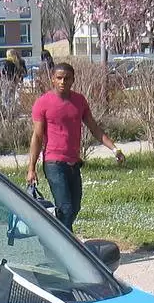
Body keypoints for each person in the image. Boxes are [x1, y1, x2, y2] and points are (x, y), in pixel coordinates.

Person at [26, 62, 124, 231]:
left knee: (75, 207)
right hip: (53, 162)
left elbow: (94, 128)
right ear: (53, 80)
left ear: (73, 80)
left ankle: (53, 239)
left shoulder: (79, 101)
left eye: (67, 78)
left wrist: (114, 149)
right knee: (65, 208)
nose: (63, 82)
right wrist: (31, 168)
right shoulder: (43, 103)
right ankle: (65, 250)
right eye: (59, 78)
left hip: (73, 163)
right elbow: (37, 136)